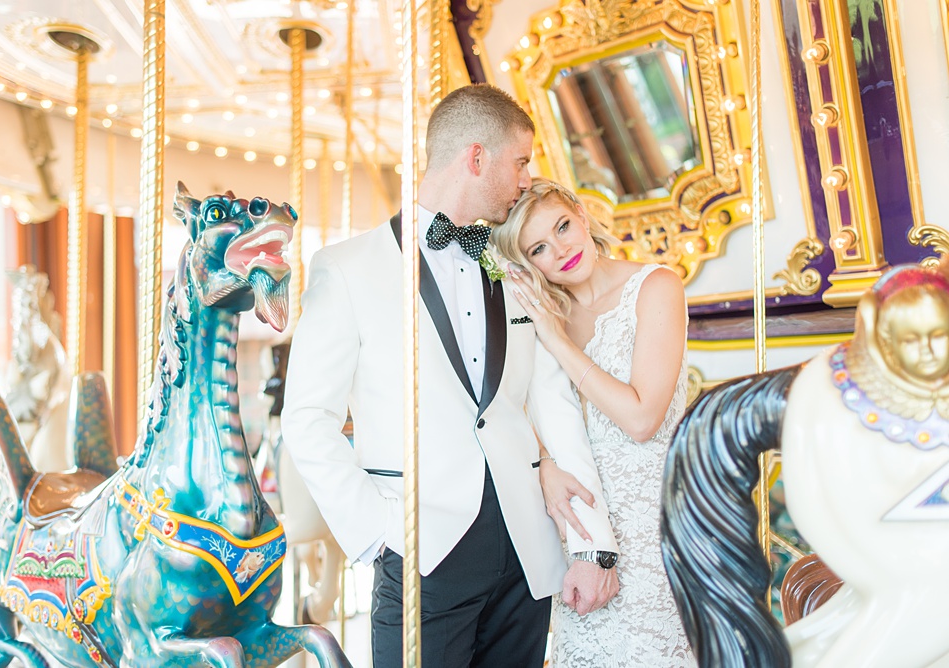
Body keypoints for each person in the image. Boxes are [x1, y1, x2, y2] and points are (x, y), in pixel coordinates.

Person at [281, 85, 620, 667]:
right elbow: (307, 421)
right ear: (477, 157)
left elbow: (552, 403)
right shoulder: (348, 268)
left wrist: (595, 545)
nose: (525, 179)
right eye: (520, 162)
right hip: (420, 548)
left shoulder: (518, 264)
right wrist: (381, 534)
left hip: (525, 547)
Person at [490, 177, 696, 667]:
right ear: (527, 263)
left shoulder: (655, 287)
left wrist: (558, 340)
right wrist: (542, 464)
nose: (560, 250)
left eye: (563, 226)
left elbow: (642, 417)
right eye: (539, 247)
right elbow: (521, 412)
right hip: (583, 524)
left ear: (583, 216)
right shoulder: (543, 313)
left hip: (654, 522)